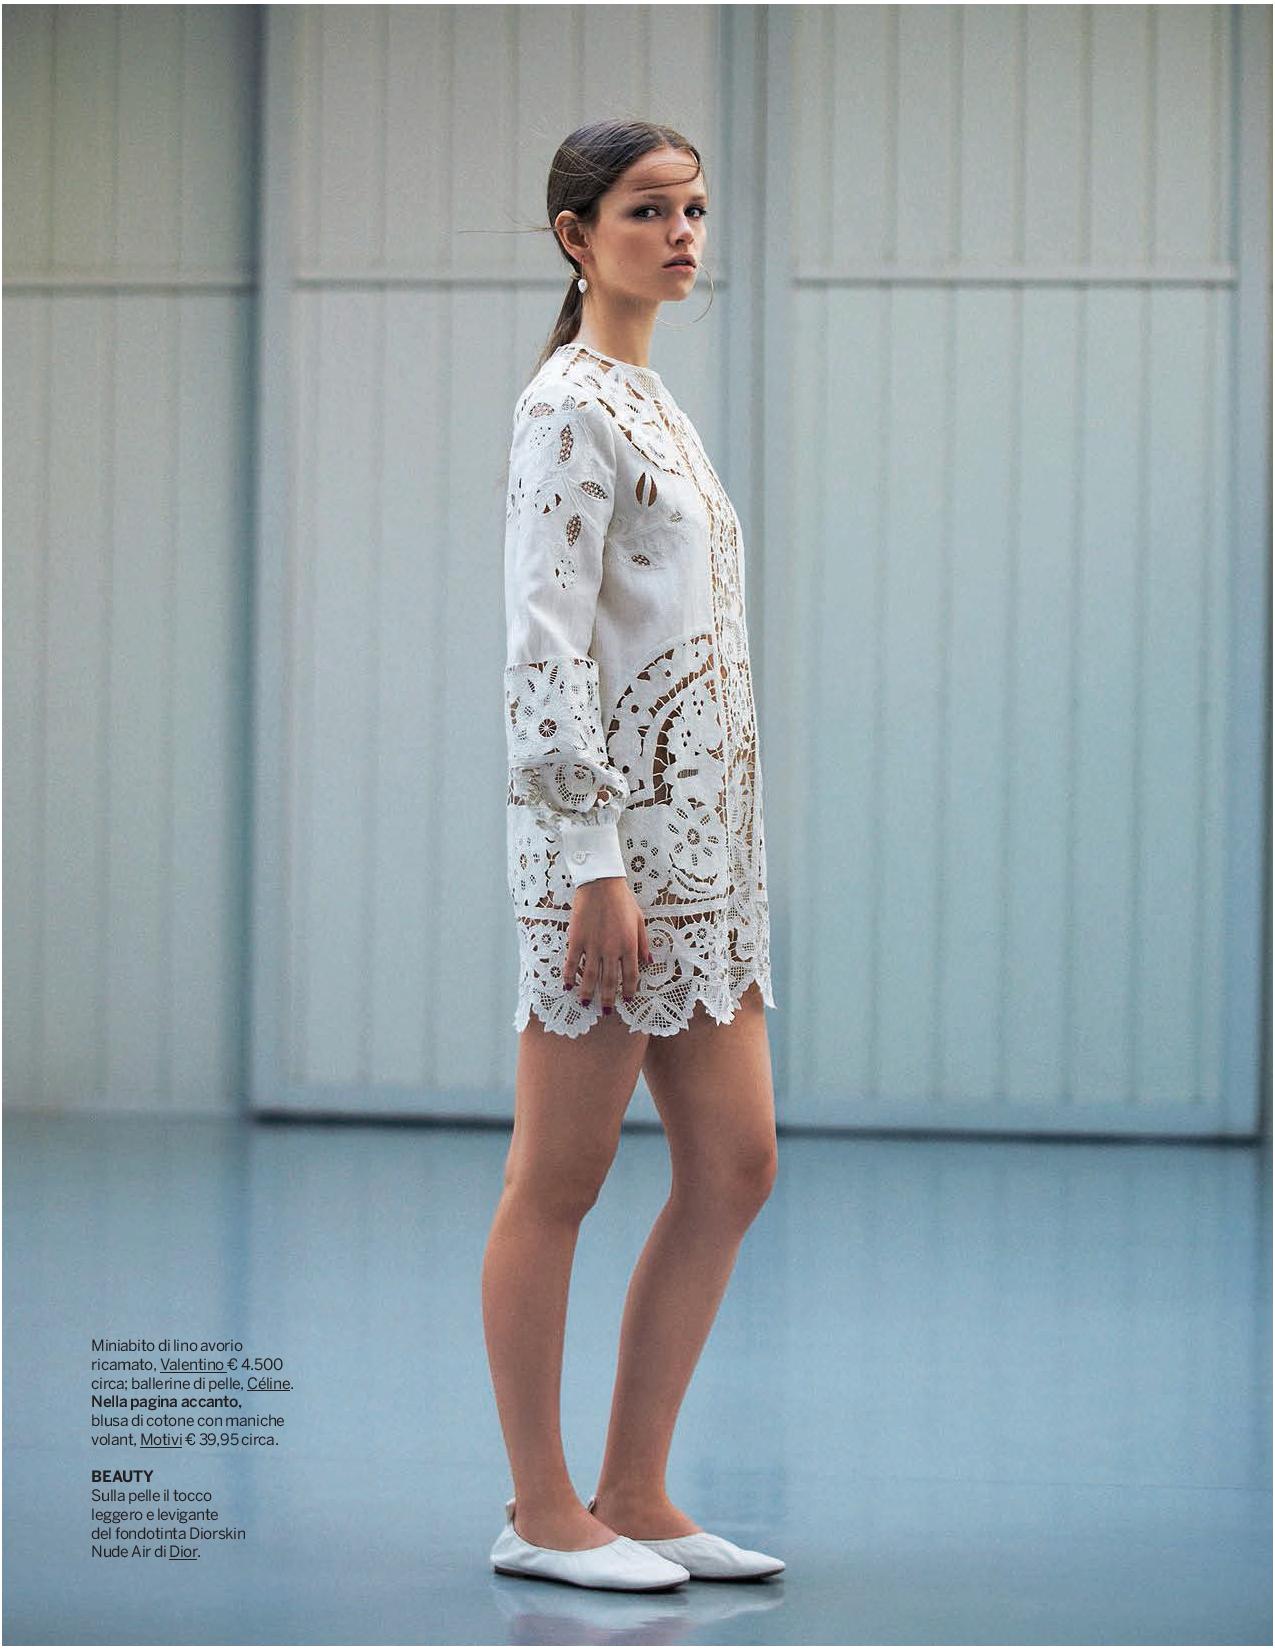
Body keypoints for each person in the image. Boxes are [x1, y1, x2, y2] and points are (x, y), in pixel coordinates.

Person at [482, 119, 784, 1592]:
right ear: (576, 233)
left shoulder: (655, 402)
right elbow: (544, 651)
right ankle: (542, 1511)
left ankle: (639, 1491)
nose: (681, 234)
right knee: (563, 1172)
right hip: (605, 865)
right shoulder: (565, 408)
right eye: (649, 210)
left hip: (706, 862)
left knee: (735, 1163)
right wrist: (593, 859)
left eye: (694, 210)